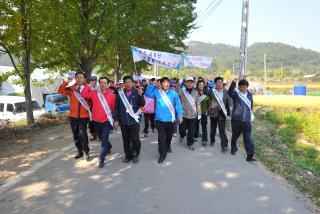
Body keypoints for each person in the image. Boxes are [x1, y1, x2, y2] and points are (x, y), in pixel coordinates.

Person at [145, 77, 183, 164]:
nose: (166, 84)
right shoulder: (157, 92)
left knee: (169, 136)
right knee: (161, 137)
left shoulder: (173, 93)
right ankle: (162, 154)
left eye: (168, 82)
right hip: (159, 120)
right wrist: (152, 85)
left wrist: (180, 115)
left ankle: (168, 145)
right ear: (161, 84)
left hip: (170, 120)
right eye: (164, 82)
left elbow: (178, 105)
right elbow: (147, 94)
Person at [82, 77, 116, 168]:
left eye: (105, 83)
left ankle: (102, 158)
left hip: (106, 121)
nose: (102, 84)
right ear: (99, 83)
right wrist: (88, 86)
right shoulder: (94, 93)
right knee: (101, 138)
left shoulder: (112, 95)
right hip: (96, 121)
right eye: (101, 82)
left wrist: (114, 120)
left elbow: (113, 109)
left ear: (108, 84)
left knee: (104, 139)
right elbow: (83, 95)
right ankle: (109, 146)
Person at [58, 72, 91, 161]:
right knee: (76, 135)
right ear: (75, 78)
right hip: (73, 116)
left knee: (82, 134)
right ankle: (79, 151)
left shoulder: (89, 89)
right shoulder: (71, 88)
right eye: (77, 77)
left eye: (81, 77)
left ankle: (86, 152)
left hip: (84, 116)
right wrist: (66, 82)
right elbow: (60, 91)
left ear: (84, 79)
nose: (79, 79)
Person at [114, 76, 145, 164]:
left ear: (132, 83)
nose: (128, 84)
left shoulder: (137, 92)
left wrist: (141, 95)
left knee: (135, 139)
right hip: (124, 121)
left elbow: (142, 104)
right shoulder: (120, 94)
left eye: (129, 82)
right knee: (126, 140)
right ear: (123, 84)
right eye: (126, 82)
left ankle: (135, 154)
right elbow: (116, 108)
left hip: (134, 120)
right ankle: (128, 156)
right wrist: (116, 119)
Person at [228, 79, 256, 162]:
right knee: (235, 135)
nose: (243, 89)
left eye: (244, 87)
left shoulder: (250, 95)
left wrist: (249, 115)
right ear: (239, 87)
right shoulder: (236, 94)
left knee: (247, 137)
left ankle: (250, 155)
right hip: (236, 119)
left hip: (246, 121)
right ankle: (233, 147)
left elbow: (251, 105)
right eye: (241, 87)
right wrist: (233, 83)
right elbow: (230, 92)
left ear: (247, 87)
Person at [176, 77, 201, 150]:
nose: (189, 84)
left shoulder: (196, 93)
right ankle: (182, 135)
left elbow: (198, 104)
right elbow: (176, 91)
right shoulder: (181, 91)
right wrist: (178, 82)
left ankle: (190, 143)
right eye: (188, 82)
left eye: (191, 82)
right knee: (182, 129)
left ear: (193, 83)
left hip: (193, 115)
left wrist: (199, 114)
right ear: (185, 83)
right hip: (183, 114)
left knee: (191, 131)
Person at [208, 77, 231, 152]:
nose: (219, 84)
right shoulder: (212, 91)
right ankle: (212, 140)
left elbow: (227, 102)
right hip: (213, 113)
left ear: (222, 83)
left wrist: (228, 113)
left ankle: (224, 145)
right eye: (218, 82)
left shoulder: (226, 92)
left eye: (221, 82)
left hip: (222, 113)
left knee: (222, 130)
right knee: (213, 128)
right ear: (215, 83)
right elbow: (205, 94)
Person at [194, 80, 210, 146]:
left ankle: (204, 140)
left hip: (204, 112)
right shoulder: (194, 93)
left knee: (204, 126)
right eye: (200, 84)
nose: (201, 85)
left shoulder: (207, 94)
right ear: (197, 85)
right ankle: (195, 136)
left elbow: (208, 103)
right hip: (196, 112)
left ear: (204, 85)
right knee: (196, 125)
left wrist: (208, 111)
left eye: (202, 84)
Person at [88, 76, 98, 141]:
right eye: (91, 80)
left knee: (97, 122)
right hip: (90, 106)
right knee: (91, 122)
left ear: (96, 81)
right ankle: (93, 135)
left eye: (94, 80)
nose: (93, 81)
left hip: (98, 106)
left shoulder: (99, 87)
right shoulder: (88, 87)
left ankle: (99, 135)